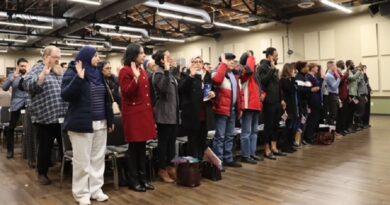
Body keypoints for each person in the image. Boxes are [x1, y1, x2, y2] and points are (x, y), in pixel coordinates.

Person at [61, 46, 114, 204]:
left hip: (101, 122)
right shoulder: (72, 71)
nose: (99, 58)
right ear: (85, 57)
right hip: (81, 124)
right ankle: (81, 194)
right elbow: (65, 95)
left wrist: (110, 120)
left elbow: (106, 98)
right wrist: (78, 78)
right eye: (95, 55)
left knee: (98, 160)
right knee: (82, 162)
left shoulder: (98, 73)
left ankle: (95, 190)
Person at [23, 46, 67, 185]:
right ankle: (42, 173)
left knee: (64, 145)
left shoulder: (59, 71)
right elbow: (29, 87)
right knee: (45, 147)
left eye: (59, 57)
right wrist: (43, 75)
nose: (58, 60)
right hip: (45, 118)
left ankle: (66, 169)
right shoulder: (37, 69)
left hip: (62, 116)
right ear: (46, 57)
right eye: (55, 57)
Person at [118, 44, 157, 192]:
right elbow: (127, 93)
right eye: (141, 53)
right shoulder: (125, 71)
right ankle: (133, 180)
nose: (144, 56)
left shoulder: (142, 70)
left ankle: (143, 178)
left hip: (144, 113)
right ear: (133, 55)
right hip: (133, 114)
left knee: (142, 147)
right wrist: (134, 78)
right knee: (134, 148)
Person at [179, 56, 215, 160]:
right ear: (191, 63)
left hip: (204, 113)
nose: (198, 64)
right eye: (195, 62)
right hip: (192, 114)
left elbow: (211, 88)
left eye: (200, 62)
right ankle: (193, 165)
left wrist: (213, 93)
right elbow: (181, 89)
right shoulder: (186, 75)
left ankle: (200, 163)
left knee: (202, 140)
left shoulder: (207, 75)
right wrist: (191, 76)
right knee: (193, 141)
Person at [152, 50, 179, 183]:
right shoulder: (158, 73)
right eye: (168, 56)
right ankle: (162, 169)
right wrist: (168, 72)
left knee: (171, 144)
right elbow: (163, 88)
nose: (171, 58)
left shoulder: (170, 74)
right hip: (164, 115)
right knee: (163, 144)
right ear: (162, 61)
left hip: (173, 114)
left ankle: (170, 166)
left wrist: (171, 71)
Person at [212, 53, 242, 168]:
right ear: (223, 62)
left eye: (233, 61)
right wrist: (223, 66)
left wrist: (239, 109)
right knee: (220, 137)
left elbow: (238, 94)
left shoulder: (234, 75)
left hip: (233, 110)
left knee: (230, 136)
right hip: (221, 110)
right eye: (229, 60)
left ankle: (228, 158)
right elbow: (217, 81)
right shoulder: (217, 73)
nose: (232, 62)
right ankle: (218, 162)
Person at [259, 47, 286, 160]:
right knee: (268, 126)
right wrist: (272, 69)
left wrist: (282, 99)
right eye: (275, 55)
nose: (277, 57)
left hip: (276, 101)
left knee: (276, 125)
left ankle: (274, 147)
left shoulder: (274, 69)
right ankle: (266, 149)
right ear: (269, 56)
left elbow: (278, 86)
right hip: (268, 101)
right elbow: (263, 81)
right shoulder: (262, 67)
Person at [239, 51, 264, 164]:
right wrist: (250, 56)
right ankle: (245, 155)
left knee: (254, 131)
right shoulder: (245, 72)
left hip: (256, 105)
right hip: (248, 105)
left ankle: (252, 154)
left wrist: (263, 95)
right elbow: (249, 68)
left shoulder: (256, 75)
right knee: (247, 132)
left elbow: (260, 88)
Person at [2, 58, 29, 159]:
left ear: (28, 66)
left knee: (33, 127)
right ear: (18, 66)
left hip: (29, 104)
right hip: (16, 104)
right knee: (11, 127)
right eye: (21, 66)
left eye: (25, 66)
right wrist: (13, 77)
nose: (23, 68)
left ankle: (30, 152)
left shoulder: (30, 75)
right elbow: (4, 88)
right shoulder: (12, 76)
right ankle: (10, 151)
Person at [280, 63, 300, 153]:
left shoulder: (291, 80)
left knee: (293, 127)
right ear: (288, 70)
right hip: (287, 107)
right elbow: (290, 89)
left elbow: (295, 89)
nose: (294, 71)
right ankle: (285, 146)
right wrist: (293, 78)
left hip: (293, 106)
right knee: (288, 127)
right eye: (293, 70)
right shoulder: (283, 80)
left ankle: (290, 144)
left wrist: (293, 79)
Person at [304, 63, 322, 144]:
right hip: (312, 100)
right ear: (312, 68)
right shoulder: (308, 76)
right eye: (315, 67)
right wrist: (313, 89)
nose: (317, 68)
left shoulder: (315, 76)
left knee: (315, 119)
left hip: (317, 99)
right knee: (311, 120)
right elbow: (308, 88)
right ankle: (308, 137)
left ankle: (312, 135)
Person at [336, 60, 350, 136]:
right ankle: (339, 130)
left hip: (345, 95)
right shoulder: (337, 72)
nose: (344, 65)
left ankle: (343, 128)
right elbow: (340, 82)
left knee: (344, 114)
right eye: (343, 64)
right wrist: (345, 75)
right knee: (340, 114)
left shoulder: (341, 72)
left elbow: (345, 82)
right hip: (341, 96)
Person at [324, 61, 341, 126]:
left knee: (334, 114)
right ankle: (330, 134)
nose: (336, 67)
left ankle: (332, 132)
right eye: (335, 66)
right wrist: (339, 79)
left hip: (334, 95)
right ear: (331, 66)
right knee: (332, 114)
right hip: (331, 95)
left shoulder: (331, 75)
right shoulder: (328, 76)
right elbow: (334, 87)